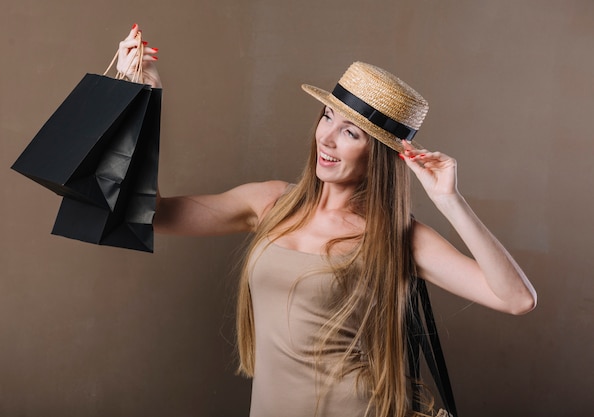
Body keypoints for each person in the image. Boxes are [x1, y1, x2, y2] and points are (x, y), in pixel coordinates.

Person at [117, 25, 537, 417]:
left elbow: (517, 299)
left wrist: (450, 200)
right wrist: (145, 98)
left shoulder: (396, 237)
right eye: (327, 117)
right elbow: (150, 212)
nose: (328, 138)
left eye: (351, 133)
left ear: (380, 155)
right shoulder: (270, 202)